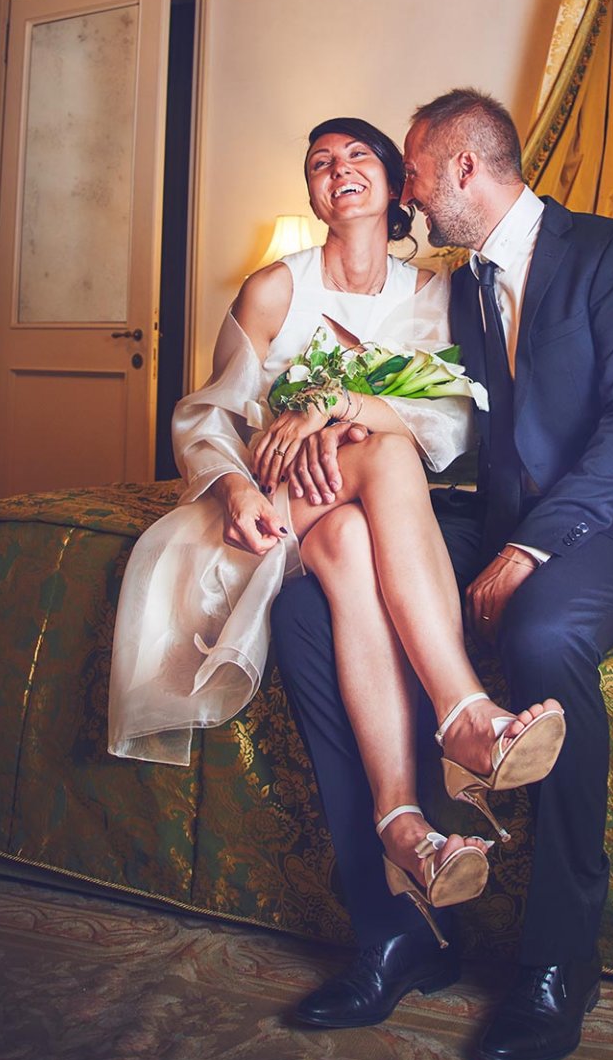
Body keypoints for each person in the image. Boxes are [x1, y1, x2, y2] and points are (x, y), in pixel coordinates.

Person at [273, 90, 613, 1060]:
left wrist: (531, 548)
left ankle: (559, 960)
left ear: (464, 169)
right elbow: (420, 392)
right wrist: (322, 408)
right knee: (306, 604)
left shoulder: (611, 252)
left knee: (540, 633)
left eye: (415, 175)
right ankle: (399, 925)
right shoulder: (458, 285)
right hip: (501, 511)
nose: (408, 196)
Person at [109, 115, 565, 943]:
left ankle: (403, 825)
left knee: (353, 536)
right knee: (384, 460)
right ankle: (463, 713)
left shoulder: (436, 294)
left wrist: (341, 412)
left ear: (397, 186)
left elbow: (453, 421)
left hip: (343, 506)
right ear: (313, 193)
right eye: (320, 161)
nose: (337, 167)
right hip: (273, 497)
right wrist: (233, 487)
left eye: (358, 155)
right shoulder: (274, 288)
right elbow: (210, 414)